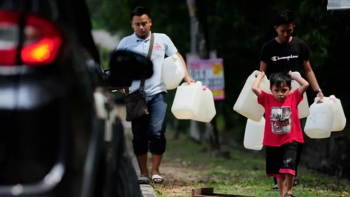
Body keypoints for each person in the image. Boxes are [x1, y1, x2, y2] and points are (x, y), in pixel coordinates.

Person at [116, 6, 194, 184]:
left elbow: (176, 56)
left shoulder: (162, 39)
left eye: (144, 23)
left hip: (158, 93)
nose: (141, 27)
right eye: (137, 24)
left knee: (157, 132)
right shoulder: (125, 42)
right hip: (135, 96)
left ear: (150, 22)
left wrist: (187, 76)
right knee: (139, 136)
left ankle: (156, 170)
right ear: (132, 25)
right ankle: (143, 173)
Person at [259, 9, 324, 190]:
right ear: (275, 29)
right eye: (282, 31)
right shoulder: (268, 48)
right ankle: (278, 177)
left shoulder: (300, 46)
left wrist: (317, 90)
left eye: (289, 30)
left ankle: (291, 171)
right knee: (276, 136)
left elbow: (308, 70)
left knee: (296, 137)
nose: (286, 34)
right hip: (274, 97)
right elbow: (262, 73)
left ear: (293, 27)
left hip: (295, 95)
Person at [252, 71, 309, 197]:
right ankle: (281, 194)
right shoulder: (267, 99)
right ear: (271, 89)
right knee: (279, 170)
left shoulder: (294, 97)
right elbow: (254, 88)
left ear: (290, 89)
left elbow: (305, 85)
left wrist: (294, 77)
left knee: (289, 165)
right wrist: (260, 77)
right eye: (276, 90)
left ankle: (289, 191)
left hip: (290, 139)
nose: (280, 93)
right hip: (273, 142)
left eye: (284, 90)